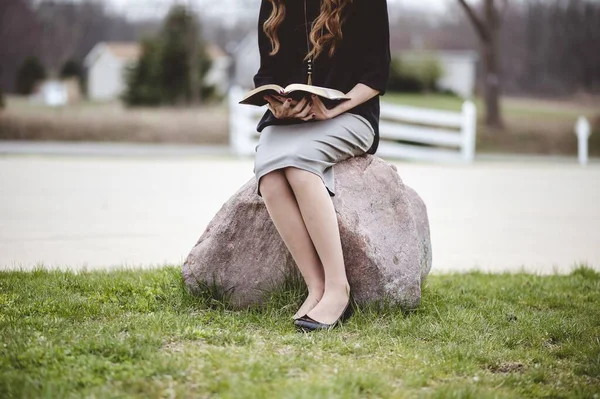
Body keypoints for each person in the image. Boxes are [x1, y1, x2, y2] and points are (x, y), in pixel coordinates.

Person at [252, 0, 391, 331]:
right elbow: (267, 73)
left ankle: (338, 288)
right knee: (269, 175)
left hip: (351, 115)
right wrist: (278, 104)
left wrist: (333, 108)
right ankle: (316, 287)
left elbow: (377, 74)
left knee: (300, 167)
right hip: (293, 117)